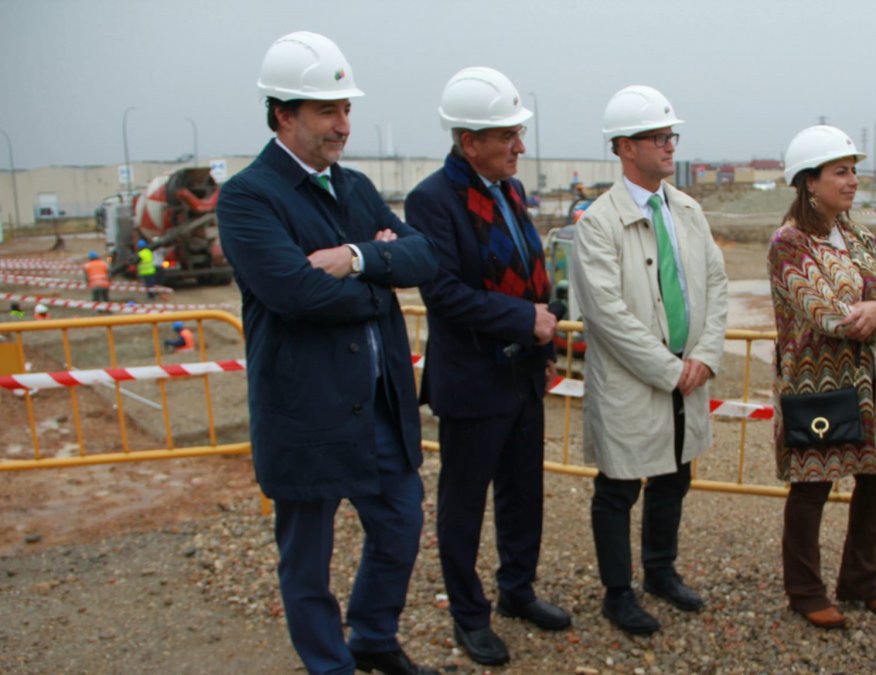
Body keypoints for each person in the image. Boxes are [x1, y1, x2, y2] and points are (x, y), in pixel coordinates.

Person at [216, 31, 439, 675]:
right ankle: (329, 665)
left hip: (378, 402)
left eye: (345, 110)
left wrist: (357, 258)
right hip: (306, 407)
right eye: (326, 111)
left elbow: (423, 256)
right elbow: (293, 292)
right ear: (283, 114)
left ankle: (371, 637)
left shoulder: (356, 186)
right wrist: (380, 284)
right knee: (307, 556)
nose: (342, 124)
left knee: (399, 525)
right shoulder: (250, 197)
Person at [406, 66, 568, 668]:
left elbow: (525, 265)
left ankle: (517, 591)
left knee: (525, 494)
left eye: (519, 133)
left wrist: (537, 322)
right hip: (474, 381)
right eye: (508, 136)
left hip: (522, 373)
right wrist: (524, 319)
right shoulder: (432, 201)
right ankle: (469, 615)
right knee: (465, 505)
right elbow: (442, 293)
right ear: (469, 141)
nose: (520, 146)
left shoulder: (511, 192)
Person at [570, 85, 728, 636]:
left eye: (670, 135)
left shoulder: (687, 211)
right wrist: (669, 370)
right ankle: (618, 592)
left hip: (688, 373)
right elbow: (606, 314)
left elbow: (714, 283)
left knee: (675, 475)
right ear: (624, 147)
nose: (669, 146)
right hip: (637, 381)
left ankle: (660, 571)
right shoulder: (599, 223)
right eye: (657, 137)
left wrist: (704, 356)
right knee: (618, 486)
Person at [767, 125, 876, 630]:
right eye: (840, 171)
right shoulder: (789, 243)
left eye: (854, 170)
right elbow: (831, 315)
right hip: (817, 385)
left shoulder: (855, 234)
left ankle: (863, 580)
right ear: (809, 181)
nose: (852, 180)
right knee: (813, 484)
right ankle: (805, 590)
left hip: (871, 385)